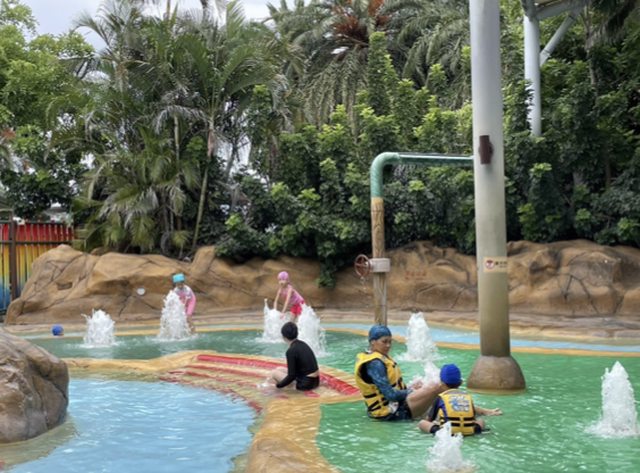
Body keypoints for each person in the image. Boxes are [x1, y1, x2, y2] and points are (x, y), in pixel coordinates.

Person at [354, 325, 446, 421]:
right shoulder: (375, 364)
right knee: (436, 387)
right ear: (373, 341)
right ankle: (440, 419)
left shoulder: (377, 357)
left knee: (423, 385)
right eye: (384, 342)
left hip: (395, 405)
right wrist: (411, 391)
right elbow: (391, 395)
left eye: (390, 342)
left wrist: (411, 388)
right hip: (390, 414)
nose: (388, 345)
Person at [418, 363, 502, 436]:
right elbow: (472, 417)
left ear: (442, 384)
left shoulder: (440, 397)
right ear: (461, 383)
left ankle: (439, 430)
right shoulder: (467, 396)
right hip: (469, 431)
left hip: (447, 432)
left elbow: (429, 419)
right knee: (480, 421)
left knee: (422, 423)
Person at [271, 322, 320, 391]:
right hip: (316, 381)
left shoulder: (291, 351)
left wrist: (278, 386)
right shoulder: (303, 344)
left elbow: (291, 376)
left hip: (305, 385)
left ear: (283, 337)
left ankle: (275, 389)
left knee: (274, 373)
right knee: (279, 369)